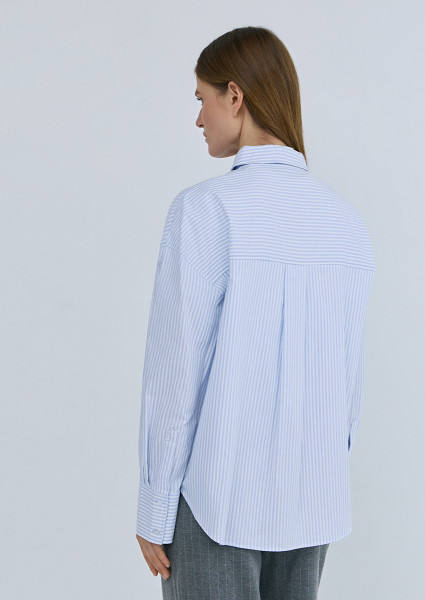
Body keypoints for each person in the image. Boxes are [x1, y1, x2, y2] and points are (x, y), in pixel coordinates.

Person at [136, 26, 375, 600]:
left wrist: (153, 507)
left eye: (203, 98)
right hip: (311, 506)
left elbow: (177, 376)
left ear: (236, 96)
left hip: (216, 501)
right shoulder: (345, 223)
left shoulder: (205, 211)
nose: (199, 118)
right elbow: (348, 388)